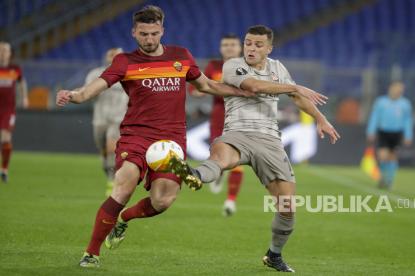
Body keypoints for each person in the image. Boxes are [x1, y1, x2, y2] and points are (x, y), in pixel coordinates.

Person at [56, 5, 262, 268]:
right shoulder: (125, 62)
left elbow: (207, 85)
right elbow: (95, 87)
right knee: (124, 185)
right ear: (134, 32)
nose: (149, 39)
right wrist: (76, 95)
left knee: (163, 201)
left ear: (162, 30)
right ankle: (91, 253)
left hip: (172, 139)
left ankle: (125, 219)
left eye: (154, 33)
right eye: (143, 34)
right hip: (136, 135)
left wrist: (242, 92)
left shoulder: (181, 56)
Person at [169, 25, 340, 273]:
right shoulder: (233, 65)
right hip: (237, 132)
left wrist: (320, 118)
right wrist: (294, 87)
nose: (251, 48)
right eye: (248, 43)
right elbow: (254, 86)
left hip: (270, 139)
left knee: (287, 207)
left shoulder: (278, 68)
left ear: (269, 48)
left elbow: (298, 98)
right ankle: (193, 175)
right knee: (219, 158)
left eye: (258, 45)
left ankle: (274, 254)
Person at [190, 33, 244, 216]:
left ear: (240, 47)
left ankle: (230, 201)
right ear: (221, 48)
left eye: (233, 44)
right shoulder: (214, 66)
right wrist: (200, 91)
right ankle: (219, 173)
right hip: (219, 117)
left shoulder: (247, 67)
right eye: (225, 44)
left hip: (241, 118)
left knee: (237, 160)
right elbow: (196, 87)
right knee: (218, 157)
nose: (229, 47)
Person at [85, 48, 128, 196]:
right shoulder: (95, 74)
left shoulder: (128, 74)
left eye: (118, 55)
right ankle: (109, 172)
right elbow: (88, 93)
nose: (114, 58)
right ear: (107, 57)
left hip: (119, 119)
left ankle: (112, 182)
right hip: (100, 118)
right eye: (112, 55)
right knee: (103, 152)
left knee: (112, 149)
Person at [366, 81, 413, 189]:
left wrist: (408, 135)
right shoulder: (381, 102)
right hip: (384, 132)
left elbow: (407, 120)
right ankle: (383, 177)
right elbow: (375, 117)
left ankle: (389, 180)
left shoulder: (405, 104)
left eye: (401, 90)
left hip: (397, 133)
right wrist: (371, 131)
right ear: (391, 88)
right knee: (382, 156)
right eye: (397, 89)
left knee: (392, 157)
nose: (399, 91)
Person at [0, 41, 28, 183]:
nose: (4, 53)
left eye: (7, 51)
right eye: (2, 50)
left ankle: (4, 169)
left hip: (8, 109)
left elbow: (22, 82)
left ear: (10, 53)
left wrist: (24, 98)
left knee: (5, 139)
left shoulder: (15, 69)